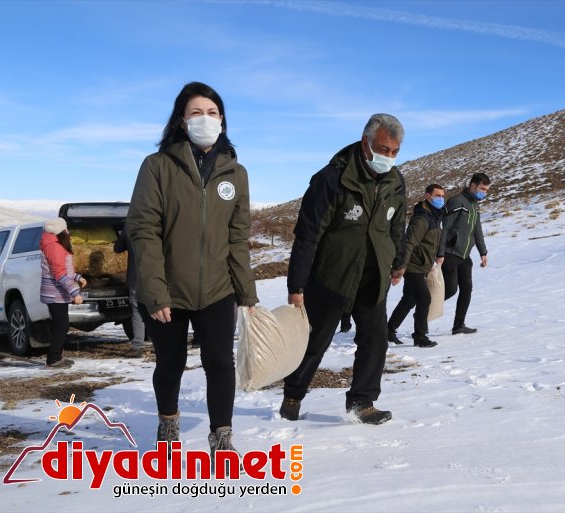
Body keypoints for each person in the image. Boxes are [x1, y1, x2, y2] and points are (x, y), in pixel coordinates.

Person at [126, 82, 258, 457]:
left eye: (212, 112)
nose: (206, 119)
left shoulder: (236, 173)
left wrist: (245, 291)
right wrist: (154, 289)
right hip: (168, 290)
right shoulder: (158, 166)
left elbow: (238, 237)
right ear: (182, 122)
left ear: (222, 120)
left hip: (218, 289)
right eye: (196, 112)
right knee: (171, 362)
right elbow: (143, 229)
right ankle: (168, 421)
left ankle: (221, 436)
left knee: (220, 362)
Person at [280, 113, 406, 425]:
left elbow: (396, 226)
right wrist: (296, 285)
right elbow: (307, 235)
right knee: (315, 342)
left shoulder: (395, 181)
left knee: (375, 340)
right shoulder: (332, 178)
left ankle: (362, 402)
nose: (388, 157)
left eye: (394, 151)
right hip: (331, 277)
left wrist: (399, 260)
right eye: (383, 149)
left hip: (372, 276)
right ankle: (293, 396)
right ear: (366, 143)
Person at [387, 184, 446, 348]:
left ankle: (389, 330)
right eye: (437, 195)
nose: (441, 198)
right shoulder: (422, 219)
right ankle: (419, 336)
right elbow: (409, 243)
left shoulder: (434, 216)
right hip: (413, 266)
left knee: (409, 299)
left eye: (442, 195)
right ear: (428, 196)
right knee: (424, 298)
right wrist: (401, 267)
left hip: (423, 265)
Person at [437, 173, 491, 335]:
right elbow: (444, 228)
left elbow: (477, 230)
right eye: (482, 189)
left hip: (464, 255)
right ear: (473, 185)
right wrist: (440, 253)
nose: (484, 192)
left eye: (487, 190)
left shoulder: (474, 205)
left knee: (467, 289)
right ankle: (424, 308)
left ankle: (458, 325)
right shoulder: (457, 201)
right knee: (451, 289)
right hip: (450, 253)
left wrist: (483, 252)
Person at [39, 217, 86, 368]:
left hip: (58, 293)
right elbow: (59, 273)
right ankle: (53, 359)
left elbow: (63, 269)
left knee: (61, 326)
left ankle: (56, 356)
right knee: (61, 326)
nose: (68, 231)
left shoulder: (56, 245)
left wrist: (77, 277)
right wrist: (75, 293)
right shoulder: (55, 247)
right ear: (61, 231)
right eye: (66, 228)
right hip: (55, 294)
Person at [113, 230, 148, 358]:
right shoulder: (159, 222)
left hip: (136, 276)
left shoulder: (130, 226)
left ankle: (137, 346)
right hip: (157, 275)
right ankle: (165, 344)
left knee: (137, 310)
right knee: (159, 308)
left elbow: (117, 248)